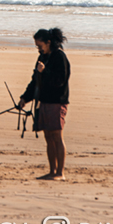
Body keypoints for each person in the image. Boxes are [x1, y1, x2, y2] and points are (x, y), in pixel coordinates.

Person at [19, 27, 70, 181]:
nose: (38, 48)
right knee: (48, 136)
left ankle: (60, 173)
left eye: (39, 45)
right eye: (36, 46)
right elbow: (35, 80)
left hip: (57, 101)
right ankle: (52, 171)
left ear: (49, 42)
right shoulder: (43, 57)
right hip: (44, 102)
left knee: (57, 135)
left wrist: (45, 71)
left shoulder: (59, 57)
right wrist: (24, 98)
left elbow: (60, 81)